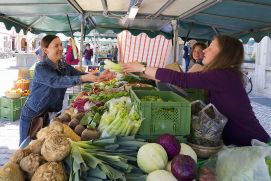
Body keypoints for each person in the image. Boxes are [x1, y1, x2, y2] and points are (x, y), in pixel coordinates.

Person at [122, 35, 270, 146]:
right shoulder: (224, 75)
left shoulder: (224, 76)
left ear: (224, 54)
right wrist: (140, 72)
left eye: (211, 47)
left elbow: (182, 80)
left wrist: (143, 68)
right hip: (239, 144)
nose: (205, 50)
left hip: (255, 144)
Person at [19, 35, 114, 144]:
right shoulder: (41, 68)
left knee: (44, 145)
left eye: (61, 45)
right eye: (56, 46)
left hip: (50, 113)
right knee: (26, 146)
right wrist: (84, 77)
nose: (60, 48)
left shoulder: (63, 66)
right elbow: (57, 81)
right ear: (46, 50)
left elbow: (81, 75)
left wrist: (100, 75)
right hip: (33, 114)